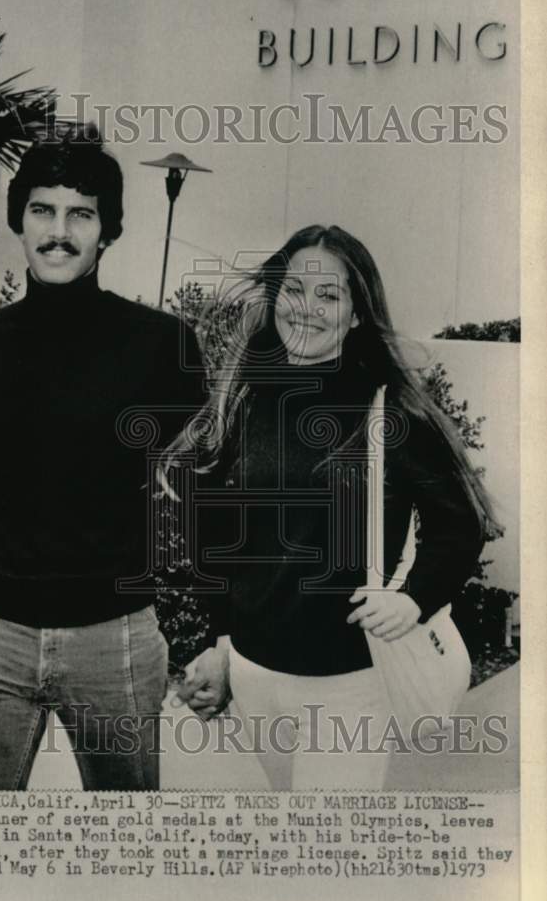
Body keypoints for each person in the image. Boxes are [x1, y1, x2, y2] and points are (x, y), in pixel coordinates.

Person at [0, 130, 204, 790]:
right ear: (19, 219)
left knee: (124, 852)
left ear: (107, 231)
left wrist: (222, 637)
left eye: (81, 214)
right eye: (42, 210)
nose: (59, 232)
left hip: (114, 640)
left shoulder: (162, 344)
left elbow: (204, 496)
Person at [160, 224, 496, 789]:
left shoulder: (390, 411)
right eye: (294, 290)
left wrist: (414, 600)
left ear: (356, 314)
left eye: (329, 295)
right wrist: (221, 644)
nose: (306, 308)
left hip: (350, 685)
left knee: (326, 853)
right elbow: (216, 537)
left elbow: (459, 525)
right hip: (253, 675)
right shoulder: (246, 398)